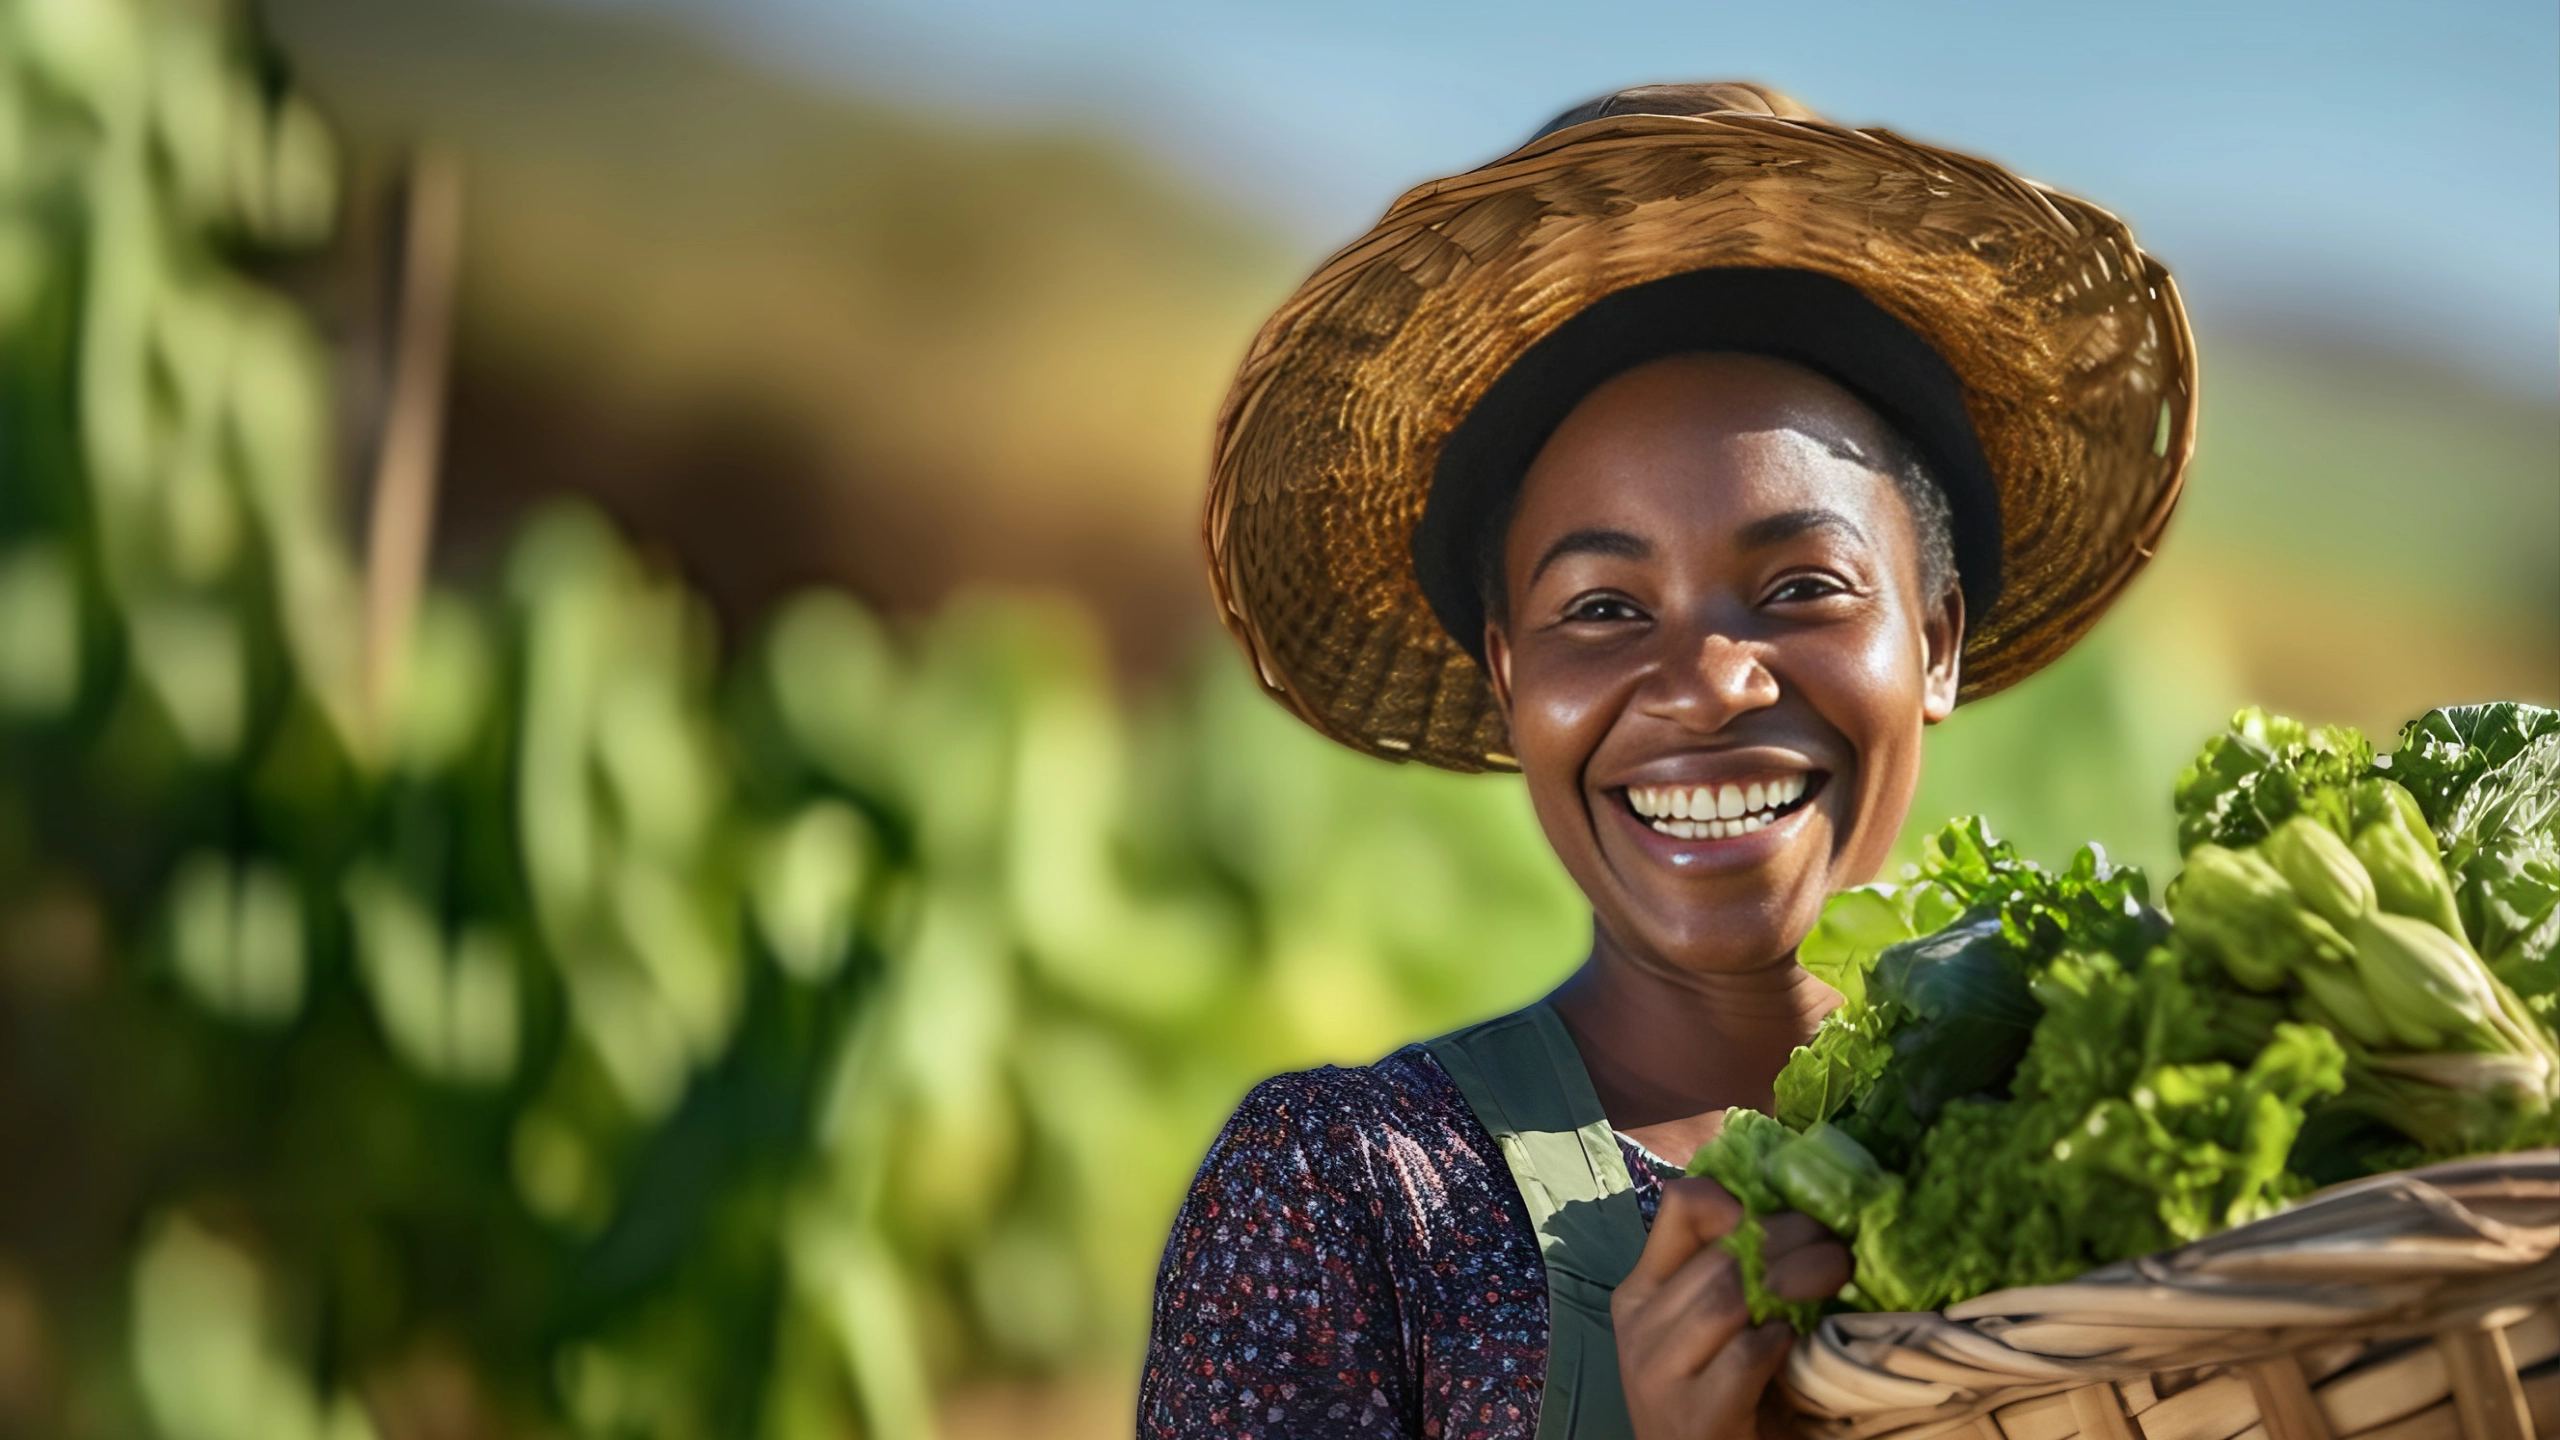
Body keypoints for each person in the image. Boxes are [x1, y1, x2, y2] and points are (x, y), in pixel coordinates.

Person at [1142, 82, 2197, 1440]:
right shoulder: (1348, 1196)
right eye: (1601, 608)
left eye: (1803, 586)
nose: (1708, 684)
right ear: (1511, 677)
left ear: (1935, 643)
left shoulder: (2092, 1145)